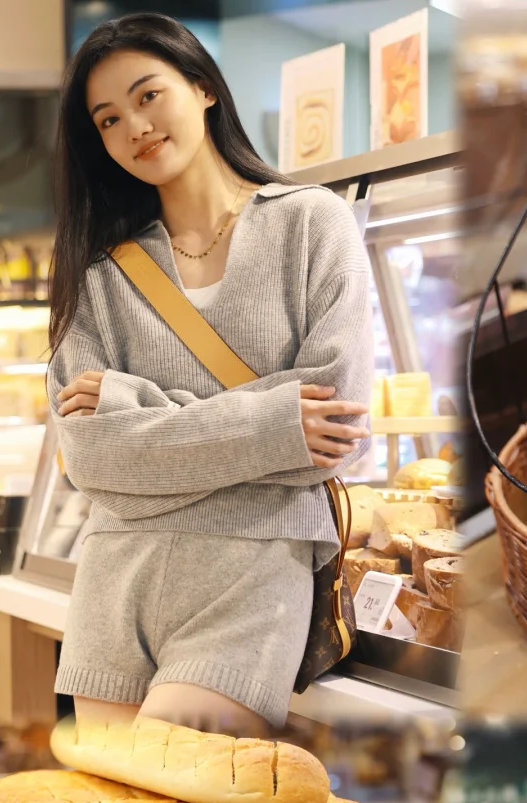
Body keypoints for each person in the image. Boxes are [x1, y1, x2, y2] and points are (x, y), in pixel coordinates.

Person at [47, 14, 373, 737]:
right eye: (108, 118)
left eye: (147, 95)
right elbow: (91, 455)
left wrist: (134, 402)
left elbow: (334, 427)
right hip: (115, 575)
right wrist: (273, 424)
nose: (134, 125)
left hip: (252, 571)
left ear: (202, 88)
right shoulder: (98, 270)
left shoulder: (312, 224)